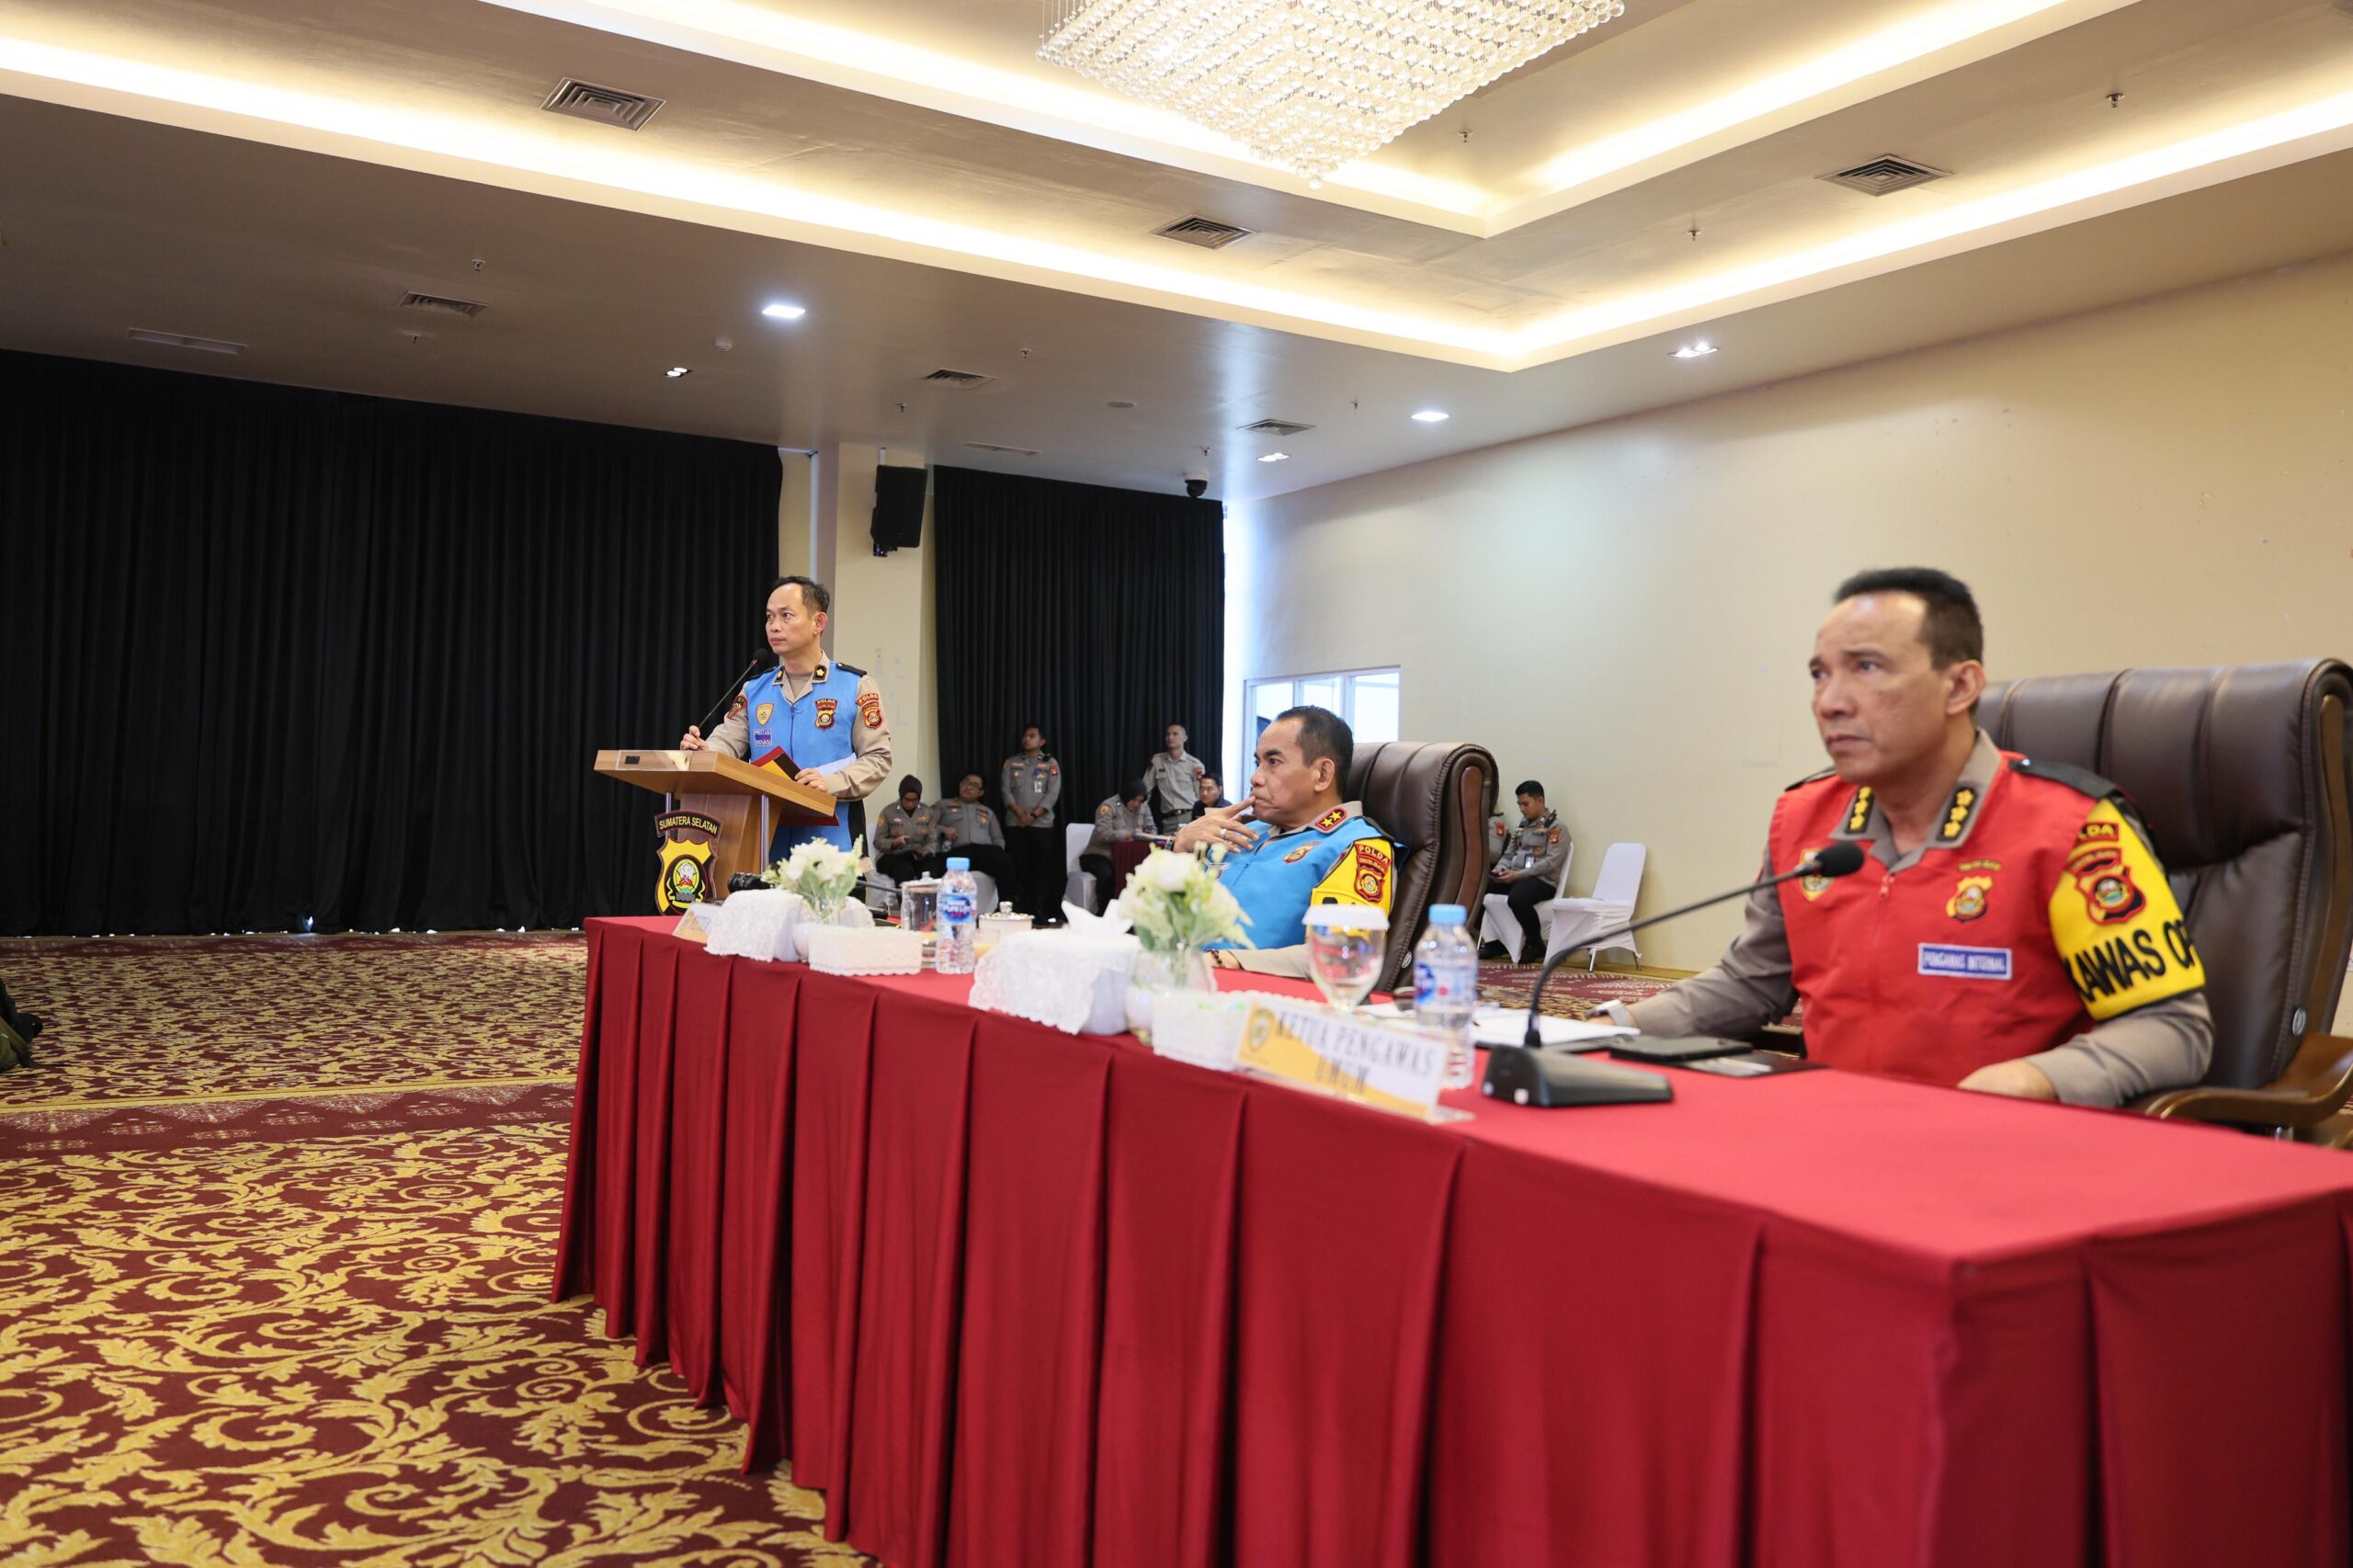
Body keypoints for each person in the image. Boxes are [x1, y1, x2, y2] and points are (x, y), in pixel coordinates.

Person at [1608, 567, 2211, 1106]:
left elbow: (2170, 1027)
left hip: (2003, 1149)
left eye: (1867, 668)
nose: (1829, 702)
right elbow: (1750, 983)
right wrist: (1612, 1025)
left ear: (1960, 686)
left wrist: (2036, 1078)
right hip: (1833, 1135)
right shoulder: (1804, 820)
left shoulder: (2072, 827)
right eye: (1820, 675)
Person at [681, 575, 892, 860]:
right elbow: (726, 742)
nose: (774, 626)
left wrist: (831, 783)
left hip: (834, 850)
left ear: (818, 622)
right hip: (764, 848)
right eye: (769, 617)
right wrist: (706, 751)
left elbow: (878, 758)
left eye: (786, 616)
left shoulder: (854, 686)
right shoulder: (755, 690)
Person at [1175, 705, 1394, 975]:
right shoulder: (1242, 831)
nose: (1255, 778)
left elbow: (1341, 955)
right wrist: (1180, 848)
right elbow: (1164, 919)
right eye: (1257, 763)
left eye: (1273, 762)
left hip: (1252, 994)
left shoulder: (1355, 846)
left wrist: (1225, 960)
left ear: (1322, 774)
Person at [1481, 780, 1570, 963]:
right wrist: (1500, 869)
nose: (1522, 809)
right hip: (1516, 877)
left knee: (1518, 897)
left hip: (1543, 881)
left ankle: (1535, 943)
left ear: (1540, 800)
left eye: (1525, 804)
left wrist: (1518, 875)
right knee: (1480, 890)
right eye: (1519, 804)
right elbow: (1509, 854)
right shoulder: (1522, 827)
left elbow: (1551, 862)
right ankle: (1497, 942)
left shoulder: (1556, 827)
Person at [1000, 724, 1063, 920]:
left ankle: (1039, 911)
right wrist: (1021, 814)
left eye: (1032, 736)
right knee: (1018, 868)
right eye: (1025, 736)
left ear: (1042, 741)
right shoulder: (1011, 762)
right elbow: (1005, 791)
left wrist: (1033, 816)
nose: (1026, 739)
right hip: (1016, 823)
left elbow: (1052, 794)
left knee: (1041, 869)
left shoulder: (1050, 763)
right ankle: (1019, 910)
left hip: (1041, 825)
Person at [934, 771, 1018, 893]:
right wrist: (943, 829)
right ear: (960, 785)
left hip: (983, 851)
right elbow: (929, 828)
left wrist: (997, 852)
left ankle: (1006, 903)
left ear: (981, 792)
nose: (968, 787)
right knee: (939, 867)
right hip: (956, 852)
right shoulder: (943, 805)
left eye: (974, 785)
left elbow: (998, 838)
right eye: (966, 782)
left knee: (1005, 861)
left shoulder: (988, 812)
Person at [1081, 782, 1158, 914]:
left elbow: (1152, 828)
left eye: (1140, 801)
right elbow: (1102, 834)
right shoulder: (1109, 806)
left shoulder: (1143, 807)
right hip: (1100, 854)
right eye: (1134, 800)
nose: (1137, 804)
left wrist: (1148, 834)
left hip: (1128, 855)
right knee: (1108, 874)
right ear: (1127, 796)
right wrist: (1127, 834)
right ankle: (1104, 913)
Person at [874, 775, 939, 887]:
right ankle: (903, 898)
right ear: (901, 796)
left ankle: (927, 896)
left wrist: (926, 851)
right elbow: (877, 841)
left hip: (918, 856)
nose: (910, 803)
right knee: (904, 868)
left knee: (932, 866)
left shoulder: (927, 812)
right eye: (907, 800)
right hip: (893, 855)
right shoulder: (888, 812)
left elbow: (933, 840)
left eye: (914, 800)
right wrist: (894, 843)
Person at [1144, 723, 1208, 830]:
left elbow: (1201, 795)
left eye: (1175, 734)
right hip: (1168, 819)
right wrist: (1141, 817)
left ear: (1185, 738)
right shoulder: (1157, 761)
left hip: (1189, 816)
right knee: (1168, 841)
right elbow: (1146, 790)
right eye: (1168, 734)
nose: (1170, 737)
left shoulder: (1195, 765)